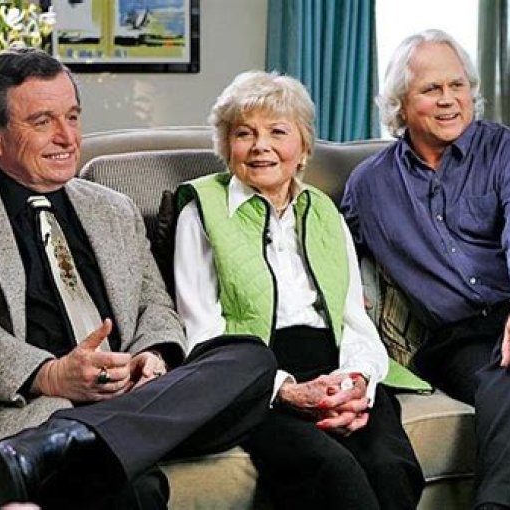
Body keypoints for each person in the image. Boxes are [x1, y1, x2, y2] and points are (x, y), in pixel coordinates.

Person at [0, 48, 278, 509]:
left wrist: (151, 358)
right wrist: (48, 375)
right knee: (126, 485)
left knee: (248, 357)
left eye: (72, 117)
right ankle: (72, 441)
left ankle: (66, 441)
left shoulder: (113, 208)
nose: (67, 137)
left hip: (128, 396)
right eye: (43, 121)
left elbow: (154, 305)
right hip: (16, 410)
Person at [341, 29, 510, 510]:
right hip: (461, 340)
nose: (449, 100)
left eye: (457, 85)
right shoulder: (369, 186)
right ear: (400, 104)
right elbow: (329, 253)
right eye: (431, 89)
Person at [173, 70, 424, 510]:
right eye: (244, 133)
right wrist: (283, 389)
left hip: (335, 365)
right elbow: (201, 334)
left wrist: (356, 382)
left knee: (391, 467)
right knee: (331, 470)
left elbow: (353, 319)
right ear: (226, 146)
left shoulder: (324, 211)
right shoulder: (201, 212)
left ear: (304, 146)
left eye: (277, 132)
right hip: (252, 379)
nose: (260, 146)